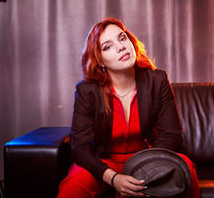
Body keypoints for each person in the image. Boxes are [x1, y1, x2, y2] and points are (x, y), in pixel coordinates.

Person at [57, 18, 199, 198]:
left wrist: (144, 171)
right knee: (73, 186)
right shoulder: (87, 90)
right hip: (104, 163)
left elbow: (172, 134)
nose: (120, 47)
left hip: (147, 158)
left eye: (122, 38)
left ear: (131, 42)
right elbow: (80, 147)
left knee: (186, 166)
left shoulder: (158, 79)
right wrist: (114, 178)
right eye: (108, 47)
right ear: (100, 61)